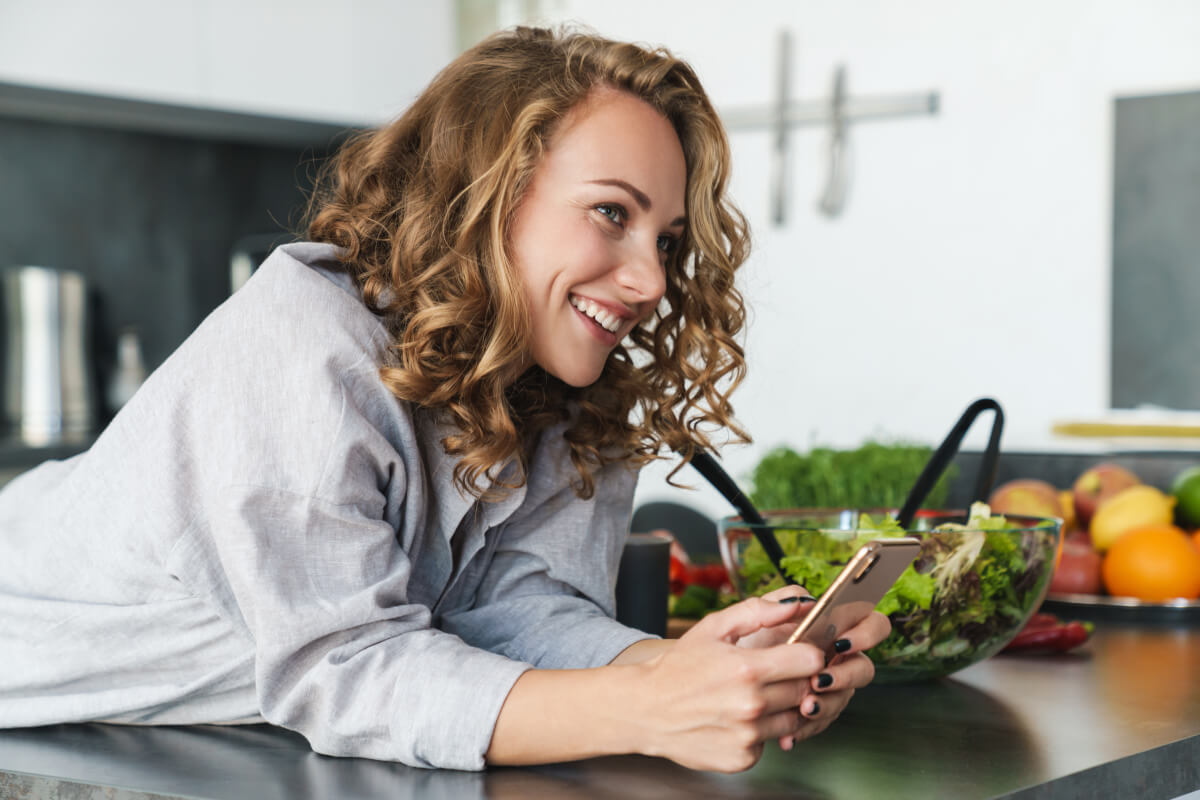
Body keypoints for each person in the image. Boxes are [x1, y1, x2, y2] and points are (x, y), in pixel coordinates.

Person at [0, 27, 888, 772]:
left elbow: (512, 612)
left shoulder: (565, 386)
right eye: (611, 214)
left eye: (667, 238)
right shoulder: (304, 344)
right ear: (485, 193)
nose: (651, 278)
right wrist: (648, 708)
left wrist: (698, 672)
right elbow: (346, 671)